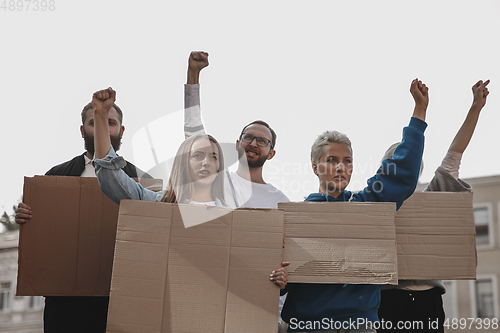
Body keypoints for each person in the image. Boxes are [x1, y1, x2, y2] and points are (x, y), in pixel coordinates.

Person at [91, 87, 288, 285]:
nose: (206, 163)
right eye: (198, 155)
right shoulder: (159, 204)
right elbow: (110, 177)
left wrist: (278, 281)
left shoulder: (231, 218)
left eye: (213, 157)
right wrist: (101, 116)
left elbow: (250, 272)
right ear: (184, 162)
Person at [280, 78, 429, 332]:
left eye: (347, 160)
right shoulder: (295, 219)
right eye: (332, 159)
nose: (340, 167)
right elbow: (284, 276)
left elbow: (401, 174)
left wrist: (419, 113)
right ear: (315, 167)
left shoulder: (366, 206)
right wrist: (281, 281)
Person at [15, 99, 151, 333]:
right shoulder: (56, 177)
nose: (103, 129)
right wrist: (27, 217)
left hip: (118, 298)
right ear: (82, 130)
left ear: (121, 130)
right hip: (65, 302)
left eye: (111, 123)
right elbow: (42, 233)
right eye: (94, 122)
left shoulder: (141, 181)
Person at [185, 51, 290, 331]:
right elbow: (194, 134)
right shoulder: (218, 181)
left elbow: (286, 259)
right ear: (237, 143)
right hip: (212, 301)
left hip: (260, 311)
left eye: (262, 141)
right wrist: (193, 76)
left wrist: (280, 296)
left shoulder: (282, 202)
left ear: (272, 152)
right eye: (248, 137)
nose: (254, 143)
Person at [377, 79, 490, 333]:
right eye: (396, 162)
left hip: (428, 302)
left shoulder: (433, 198)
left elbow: (455, 153)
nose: (403, 168)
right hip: (388, 301)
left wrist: (475, 107)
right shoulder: (372, 205)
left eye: (410, 163)